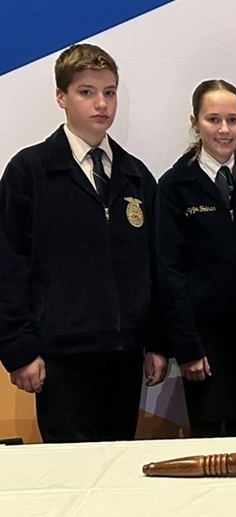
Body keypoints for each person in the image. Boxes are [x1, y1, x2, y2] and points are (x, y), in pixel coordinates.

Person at [0, 43, 167, 442]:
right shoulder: (30, 172)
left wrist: (158, 342)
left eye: (109, 92)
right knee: (70, 470)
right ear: (61, 97)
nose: (101, 104)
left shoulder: (135, 176)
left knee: (117, 466)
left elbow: (155, 267)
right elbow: (7, 265)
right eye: (87, 92)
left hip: (125, 355)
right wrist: (18, 349)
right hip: (59, 357)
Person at [156, 79, 236, 437]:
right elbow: (168, 272)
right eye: (213, 119)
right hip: (203, 341)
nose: (224, 130)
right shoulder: (174, 187)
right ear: (195, 122)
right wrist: (186, 347)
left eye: (233, 120)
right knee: (207, 444)